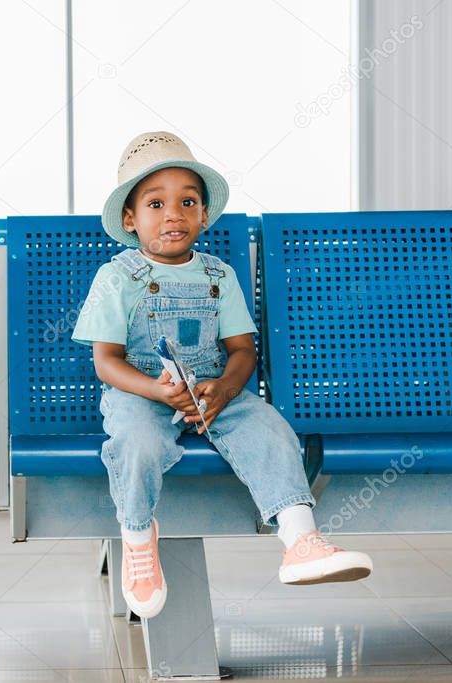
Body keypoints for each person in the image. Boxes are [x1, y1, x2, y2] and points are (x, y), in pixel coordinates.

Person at [71, 131, 373, 619]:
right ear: (130, 219)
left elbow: (241, 351)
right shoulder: (116, 277)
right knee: (136, 442)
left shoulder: (219, 276)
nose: (174, 214)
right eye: (156, 203)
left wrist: (227, 389)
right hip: (141, 391)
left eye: (188, 202)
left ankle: (301, 541)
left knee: (269, 427)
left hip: (215, 389)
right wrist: (156, 389)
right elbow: (106, 362)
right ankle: (138, 539)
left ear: (204, 215)